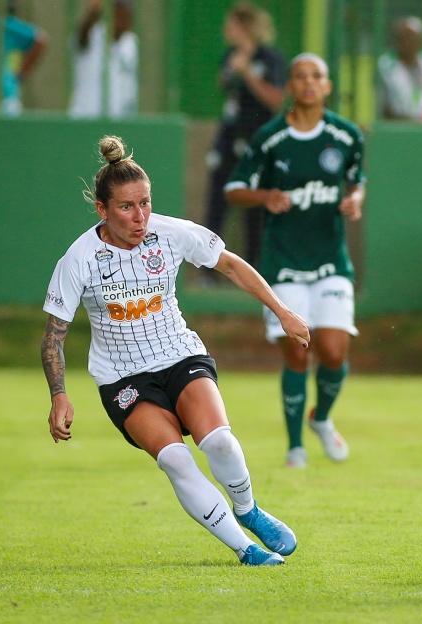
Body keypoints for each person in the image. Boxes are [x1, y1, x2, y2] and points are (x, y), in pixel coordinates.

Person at [41, 135, 309, 566]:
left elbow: (231, 263)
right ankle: (245, 549)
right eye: (126, 207)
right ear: (103, 210)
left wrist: (281, 311)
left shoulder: (170, 233)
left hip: (180, 355)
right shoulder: (79, 258)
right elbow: (54, 334)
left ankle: (249, 510)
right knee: (177, 461)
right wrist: (59, 394)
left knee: (219, 441)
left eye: (144, 202)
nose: (139, 216)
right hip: (123, 379)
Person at [224, 53, 365, 469]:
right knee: (298, 353)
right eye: (300, 76)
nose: (308, 83)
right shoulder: (270, 138)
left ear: (327, 86)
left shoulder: (347, 136)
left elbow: (357, 181)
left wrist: (355, 199)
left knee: (335, 352)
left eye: (316, 76)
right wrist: (264, 196)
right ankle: (295, 447)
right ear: (289, 86)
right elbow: (234, 188)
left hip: (330, 261)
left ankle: (320, 418)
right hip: (282, 263)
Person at [205, 2, 287, 272]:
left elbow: (275, 99)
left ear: (244, 27)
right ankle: (208, 269)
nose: (226, 30)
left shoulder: (270, 58)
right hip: (230, 137)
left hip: (257, 141)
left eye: (231, 25)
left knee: (255, 206)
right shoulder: (231, 55)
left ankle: (256, 267)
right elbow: (223, 85)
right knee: (217, 199)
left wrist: (248, 73)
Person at [67, 0, 138, 119]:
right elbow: (81, 38)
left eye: (125, 16)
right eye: (117, 15)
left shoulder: (131, 43)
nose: (121, 21)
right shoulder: (94, 35)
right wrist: (94, 12)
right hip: (85, 116)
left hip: (119, 120)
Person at [376, 16, 422, 124]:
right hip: (397, 129)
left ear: (420, 40)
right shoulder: (386, 66)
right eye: (401, 37)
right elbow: (384, 106)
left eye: (410, 37)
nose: (405, 42)